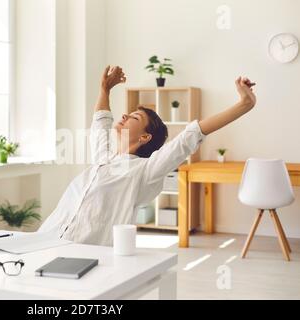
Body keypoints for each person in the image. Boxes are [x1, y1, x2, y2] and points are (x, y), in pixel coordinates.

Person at [39, 66, 256, 246]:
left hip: (82, 254)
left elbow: (190, 135)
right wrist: (105, 89)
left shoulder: (145, 171)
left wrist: (244, 105)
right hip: (44, 239)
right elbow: (101, 121)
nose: (124, 115)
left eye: (133, 116)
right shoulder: (103, 158)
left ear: (144, 136)